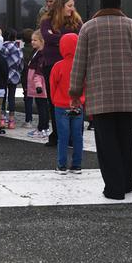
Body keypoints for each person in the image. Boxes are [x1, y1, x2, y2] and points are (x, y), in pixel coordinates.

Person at [69, 0, 132, 200]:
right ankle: (129, 182)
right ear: (119, 5)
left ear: (101, 4)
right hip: (127, 94)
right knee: (126, 140)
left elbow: (79, 63)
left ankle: (114, 188)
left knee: (107, 142)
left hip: (100, 95)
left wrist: (75, 91)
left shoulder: (88, 29)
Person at [40, 0, 82, 147]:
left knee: (72, 99)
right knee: (54, 101)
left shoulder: (76, 21)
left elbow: (79, 38)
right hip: (51, 65)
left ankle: (70, 135)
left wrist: (57, 39)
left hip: (70, 65)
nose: (72, 9)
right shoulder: (47, 21)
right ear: (61, 6)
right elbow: (47, 37)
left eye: (72, 6)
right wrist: (68, 39)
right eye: (69, 6)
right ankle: (58, 133)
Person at [50, 33, 83, 174]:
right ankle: (77, 165)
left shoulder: (58, 66)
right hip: (78, 105)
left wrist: (55, 100)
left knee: (63, 136)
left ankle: (61, 165)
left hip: (61, 106)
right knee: (77, 136)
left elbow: (52, 86)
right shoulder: (82, 66)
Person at [26, 31, 50, 138]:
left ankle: (42, 128)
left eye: (35, 40)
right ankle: (43, 128)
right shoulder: (37, 52)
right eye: (32, 40)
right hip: (37, 85)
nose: (32, 42)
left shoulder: (41, 55)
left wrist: (38, 86)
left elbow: (39, 73)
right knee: (42, 107)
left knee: (42, 107)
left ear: (42, 41)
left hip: (39, 86)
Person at [1, 28, 24, 129]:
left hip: (3, 75)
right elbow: (21, 64)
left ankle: (2, 119)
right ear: (15, 37)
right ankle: (11, 121)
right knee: (11, 98)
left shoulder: (2, 47)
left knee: (2, 97)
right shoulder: (18, 48)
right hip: (14, 76)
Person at [19, 28, 35, 128]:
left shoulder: (21, 51)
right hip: (36, 77)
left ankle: (28, 120)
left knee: (28, 98)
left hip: (26, 77)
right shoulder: (36, 51)